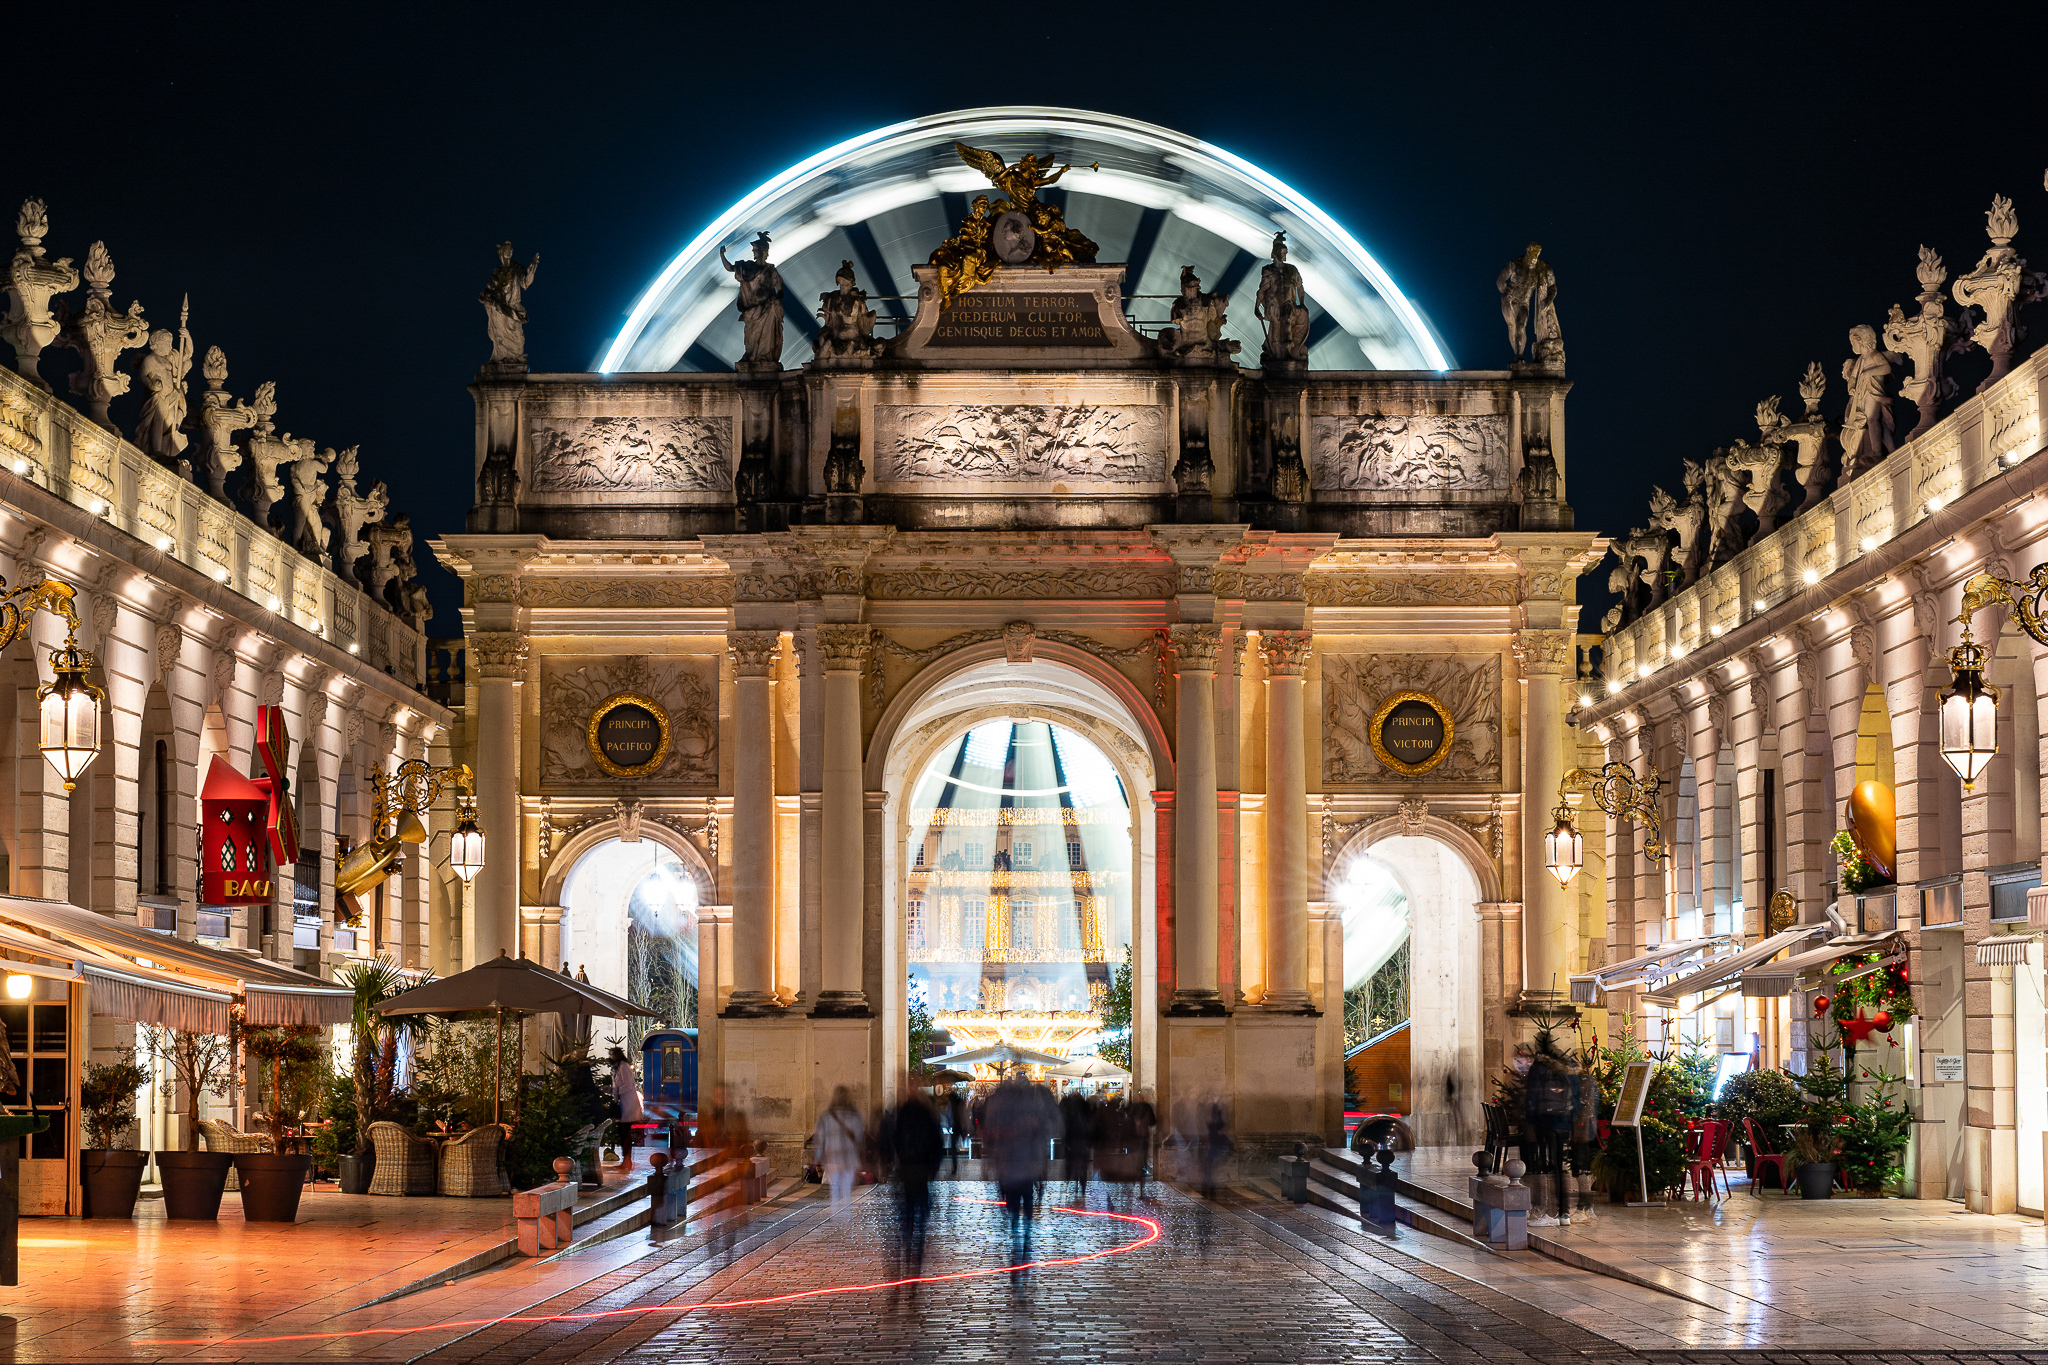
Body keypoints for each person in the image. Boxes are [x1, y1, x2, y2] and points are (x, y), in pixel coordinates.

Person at [877, 1082, 946, 1280]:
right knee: (917, 1221)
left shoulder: (900, 1113)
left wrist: (887, 1162)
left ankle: (909, 1257)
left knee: (907, 1220)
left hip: (907, 1173)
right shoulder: (925, 1114)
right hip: (917, 1175)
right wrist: (932, 1168)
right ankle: (914, 1261)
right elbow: (937, 1143)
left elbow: (890, 1140)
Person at [981, 1071, 1051, 1258]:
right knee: (1025, 1198)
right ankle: (1024, 1233)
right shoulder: (1030, 1108)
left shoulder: (1005, 1108)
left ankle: (1018, 1233)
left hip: (1014, 1164)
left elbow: (993, 1133)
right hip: (1022, 1163)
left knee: (1016, 1200)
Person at [696, 1084, 753, 1261]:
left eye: (724, 1095)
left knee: (729, 1214)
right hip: (712, 1172)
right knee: (713, 1215)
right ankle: (713, 1250)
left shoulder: (737, 1117)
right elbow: (699, 1141)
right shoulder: (707, 1118)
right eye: (718, 1095)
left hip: (730, 1172)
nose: (721, 1098)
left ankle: (727, 1251)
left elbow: (744, 1139)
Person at [813, 1085, 866, 1217]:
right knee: (846, 1189)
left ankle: (835, 1215)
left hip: (832, 1157)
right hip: (849, 1157)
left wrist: (817, 1157)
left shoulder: (826, 1115)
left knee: (834, 1188)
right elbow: (859, 1136)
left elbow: (820, 1138)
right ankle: (845, 1216)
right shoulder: (854, 1115)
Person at [607, 1045, 644, 1173]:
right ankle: (626, 1160)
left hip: (628, 1106)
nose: (610, 1057)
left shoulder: (623, 1067)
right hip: (624, 1106)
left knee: (625, 1134)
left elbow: (628, 1085)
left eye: (611, 1055)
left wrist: (613, 1090)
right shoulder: (617, 1067)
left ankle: (627, 1161)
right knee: (623, 1134)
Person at [1059, 1087, 1096, 1204]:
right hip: (1082, 1140)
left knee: (1071, 1162)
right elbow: (1091, 1123)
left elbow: (1063, 1124)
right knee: (1082, 1164)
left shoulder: (1068, 1108)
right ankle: (1082, 1186)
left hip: (1071, 1140)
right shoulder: (1085, 1106)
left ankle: (1072, 1182)